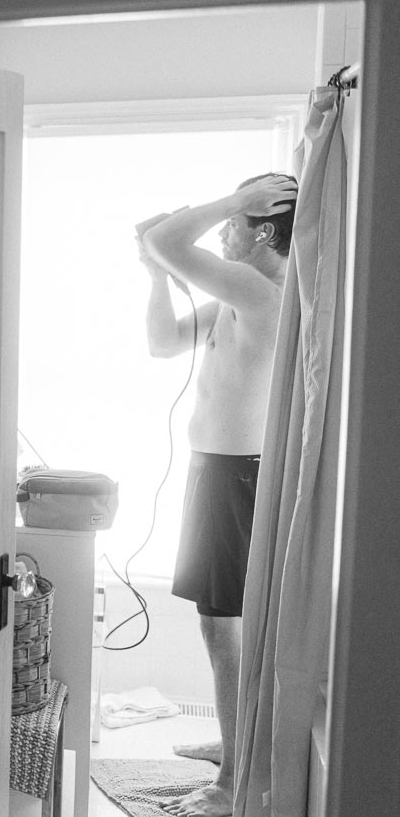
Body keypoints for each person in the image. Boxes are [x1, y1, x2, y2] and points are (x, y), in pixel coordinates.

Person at [136, 173, 297, 817]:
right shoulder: (234, 298)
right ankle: (233, 746)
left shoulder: (263, 292)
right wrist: (155, 277)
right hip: (217, 474)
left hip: (236, 477)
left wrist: (235, 200)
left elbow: (168, 238)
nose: (224, 230)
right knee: (219, 624)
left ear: (263, 229)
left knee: (223, 627)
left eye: (235, 221)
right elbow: (162, 344)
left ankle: (232, 782)